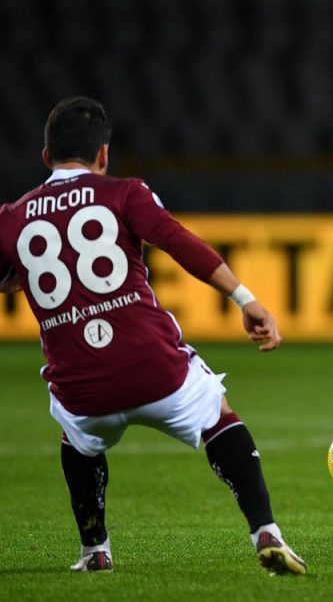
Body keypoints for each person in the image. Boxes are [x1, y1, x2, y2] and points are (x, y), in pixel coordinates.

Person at [0, 97, 307, 575]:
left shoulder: (12, 218)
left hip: (82, 387)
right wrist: (244, 298)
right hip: (154, 369)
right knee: (219, 414)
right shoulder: (125, 192)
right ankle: (265, 530)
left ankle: (95, 550)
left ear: (45, 158)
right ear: (103, 154)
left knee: (76, 436)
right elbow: (177, 241)